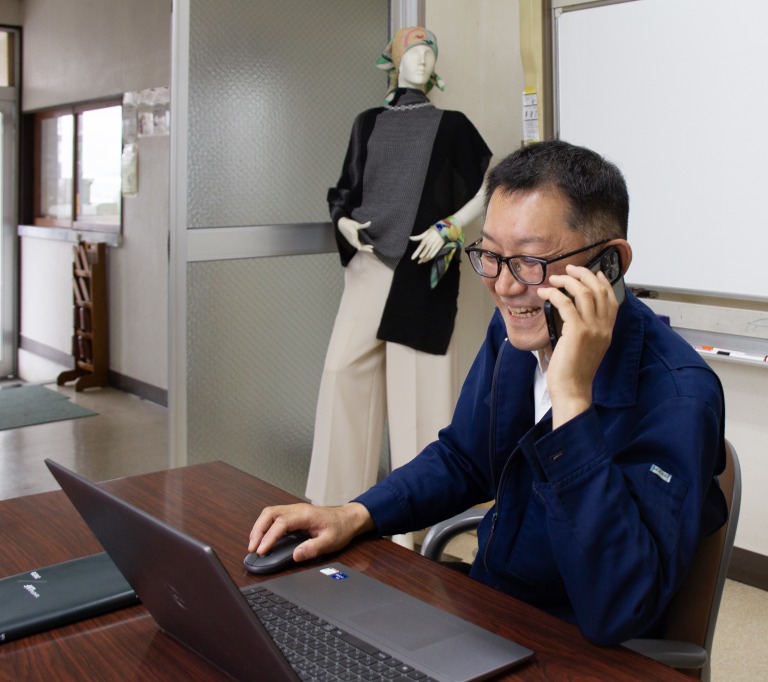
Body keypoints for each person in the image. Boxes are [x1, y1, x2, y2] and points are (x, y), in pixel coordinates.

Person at [253, 140, 727, 646]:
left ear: (609, 264)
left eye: (529, 261)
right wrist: (355, 514)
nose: (503, 286)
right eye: (491, 256)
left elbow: (619, 608)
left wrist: (571, 401)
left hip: (573, 645)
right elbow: (463, 457)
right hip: (492, 607)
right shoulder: (516, 334)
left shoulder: (680, 397)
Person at [305, 27, 492, 521]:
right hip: (368, 264)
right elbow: (346, 187)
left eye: (430, 53)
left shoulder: (453, 125)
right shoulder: (366, 123)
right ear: (393, 62)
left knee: (420, 398)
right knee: (342, 374)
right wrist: (343, 221)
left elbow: (489, 185)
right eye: (413, 53)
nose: (422, 61)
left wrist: (451, 228)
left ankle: (417, 523)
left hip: (422, 269)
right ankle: (332, 509)